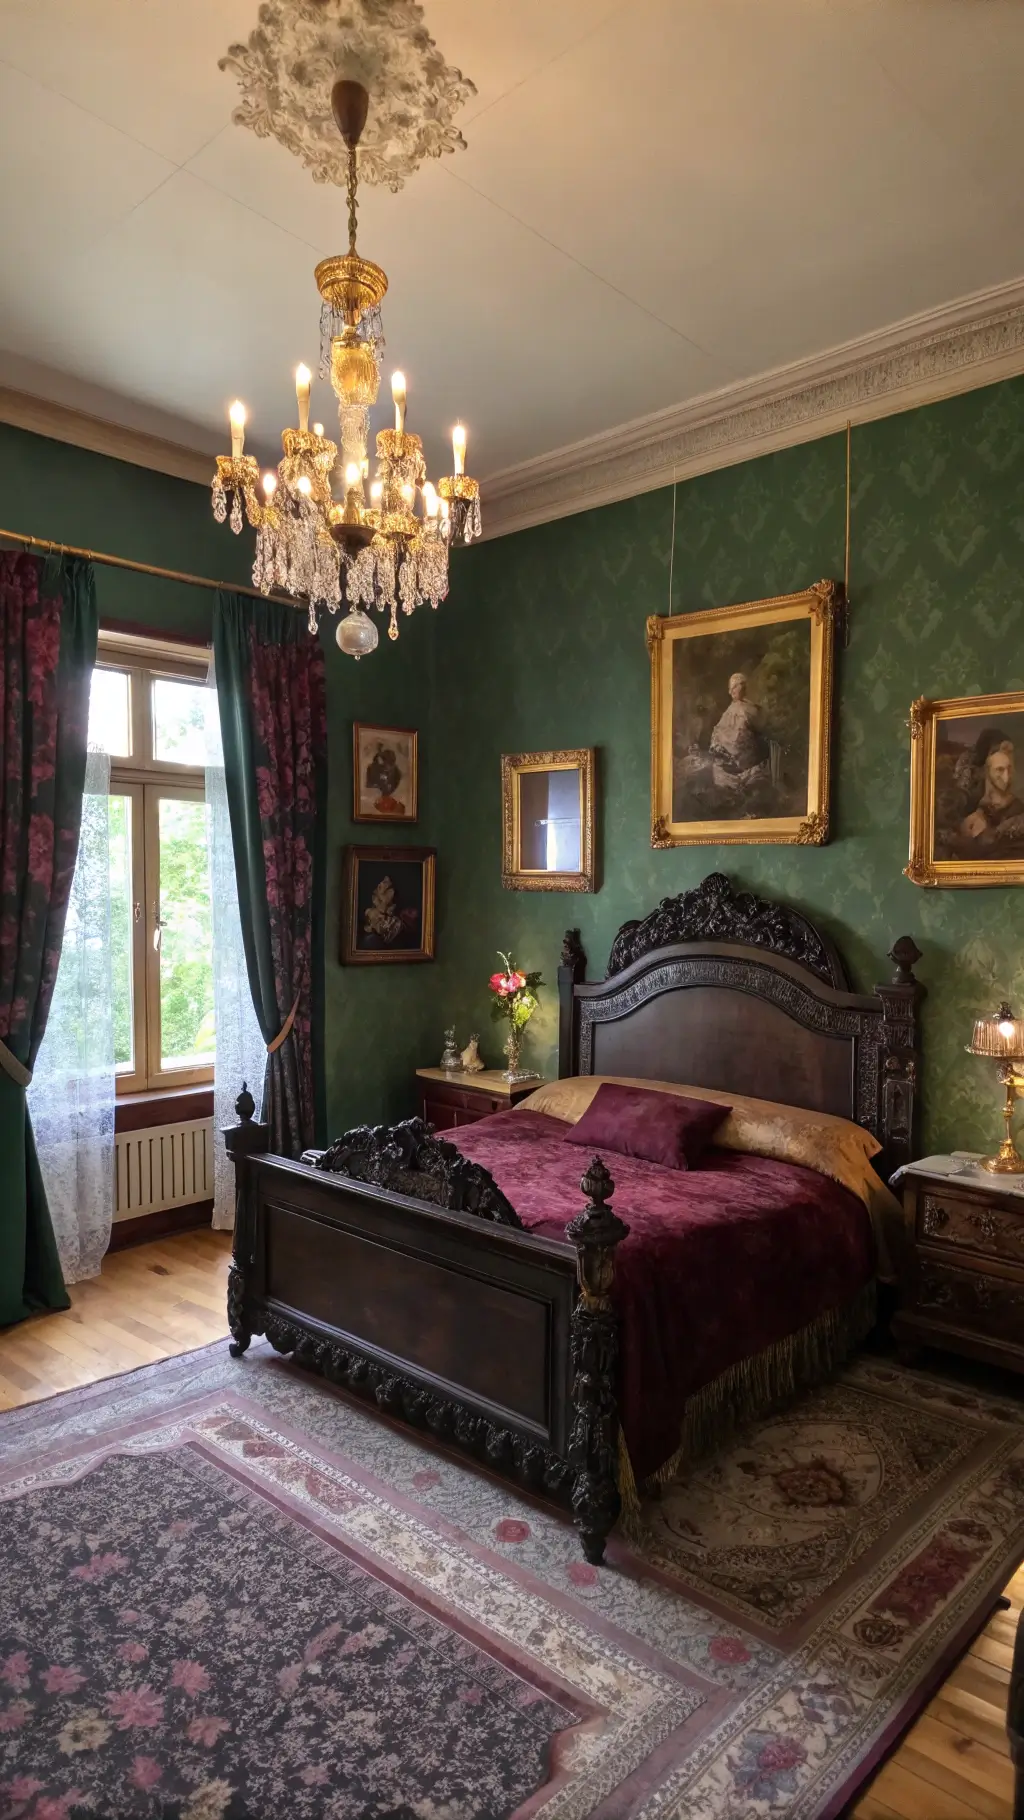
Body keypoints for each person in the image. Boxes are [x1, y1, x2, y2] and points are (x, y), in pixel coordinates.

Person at [709, 672, 770, 794]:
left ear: (743, 688)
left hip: (746, 759)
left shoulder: (751, 709)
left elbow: (761, 729)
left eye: (736, 686)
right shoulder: (730, 710)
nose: (732, 691)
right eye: (731, 688)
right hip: (728, 760)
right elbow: (718, 730)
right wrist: (717, 744)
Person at [959, 735, 1024, 843]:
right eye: (999, 770)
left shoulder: (1018, 807)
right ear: (986, 770)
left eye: (1009, 768)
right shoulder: (970, 803)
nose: (1006, 778)